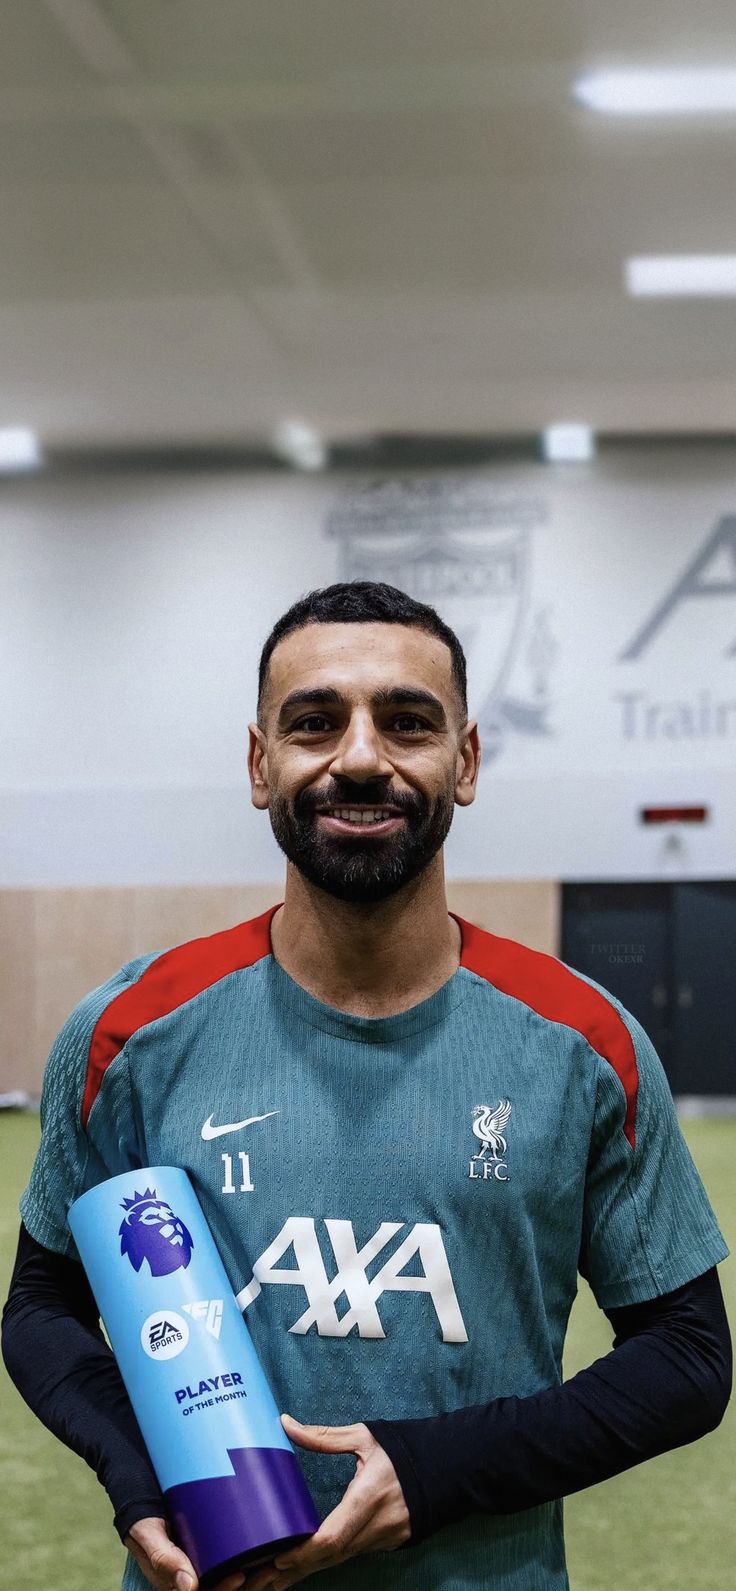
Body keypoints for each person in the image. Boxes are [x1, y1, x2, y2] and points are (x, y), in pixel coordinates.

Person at [2, 580, 731, 1591]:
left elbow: (688, 1356)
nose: (357, 756)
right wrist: (138, 1474)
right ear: (260, 765)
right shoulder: (130, 1035)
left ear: (464, 759)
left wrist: (434, 1473)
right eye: (312, 722)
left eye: (405, 722)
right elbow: (40, 1305)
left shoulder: (583, 1042)